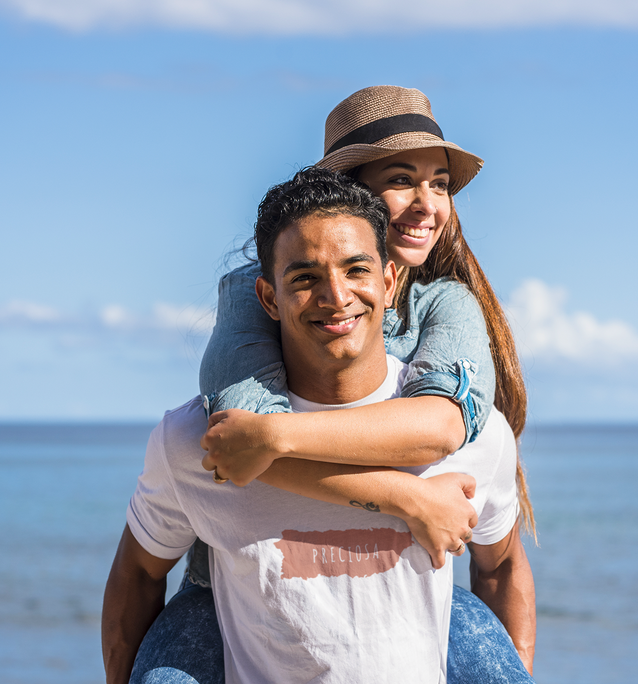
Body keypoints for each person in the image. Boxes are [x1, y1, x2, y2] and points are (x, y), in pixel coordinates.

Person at [102, 168, 533, 684]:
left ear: (390, 280)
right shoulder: (196, 440)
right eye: (305, 278)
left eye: (356, 270)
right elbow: (136, 575)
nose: (335, 295)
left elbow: (502, 567)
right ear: (267, 298)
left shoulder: (477, 438)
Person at [194, 85, 536, 671]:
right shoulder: (258, 294)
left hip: (399, 596)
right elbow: (243, 432)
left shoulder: (446, 305)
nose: (428, 204)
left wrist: (276, 440)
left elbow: (437, 427)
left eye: (440, 184)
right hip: (240, 589)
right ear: (352, 195)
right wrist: (407, 497)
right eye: (403, 179)